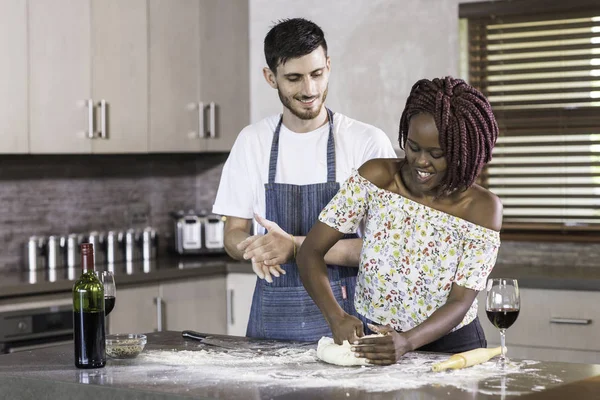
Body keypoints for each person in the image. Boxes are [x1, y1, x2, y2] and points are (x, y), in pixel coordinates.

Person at [212, 18, 396, 341]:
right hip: (271, 330)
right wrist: (256, 249)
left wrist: (294, 247)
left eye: (317, 74)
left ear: (329, 65)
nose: (310, 90)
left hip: (347, 323)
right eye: (294, 78)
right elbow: (232, 233)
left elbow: (383, 249)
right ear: (271, 78)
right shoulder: (251, 142)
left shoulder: (366, 143)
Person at [297, 76, 502, 364]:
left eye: (436, 154)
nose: (420, 161)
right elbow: (311, 251)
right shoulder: (376, 179)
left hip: (453, 350)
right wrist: (336, 316)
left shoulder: (482, 209)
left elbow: (460, 301)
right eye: (413, 146)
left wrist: (406, 342)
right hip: (376, 343)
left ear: (462, 153)